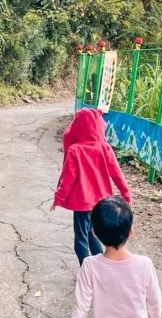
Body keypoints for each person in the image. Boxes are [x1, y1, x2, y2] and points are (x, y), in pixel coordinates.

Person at [50, 108, 131, 265]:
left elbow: (67, 180)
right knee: (94, 233)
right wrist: (126, 194)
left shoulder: (75, 150)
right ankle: (101, 267)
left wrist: (57, 199)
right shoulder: (105, 148)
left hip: (82, 204)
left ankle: (87, 272)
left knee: (81, 238)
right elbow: (117, 174)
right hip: (102, 203)